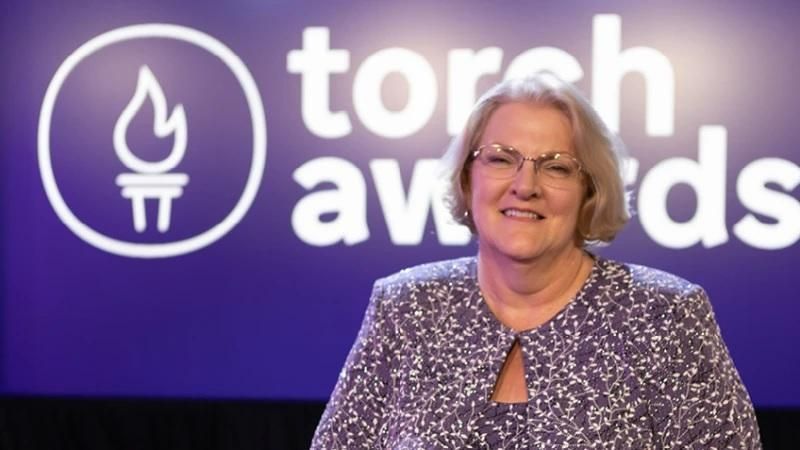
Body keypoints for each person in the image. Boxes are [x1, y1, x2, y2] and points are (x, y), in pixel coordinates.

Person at [311, 74, 761, 449]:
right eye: (500, 159)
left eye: (557, 166)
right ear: (467, 180)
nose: (525, 185)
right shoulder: (405, 307)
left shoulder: (665, 315)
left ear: (590, 191)